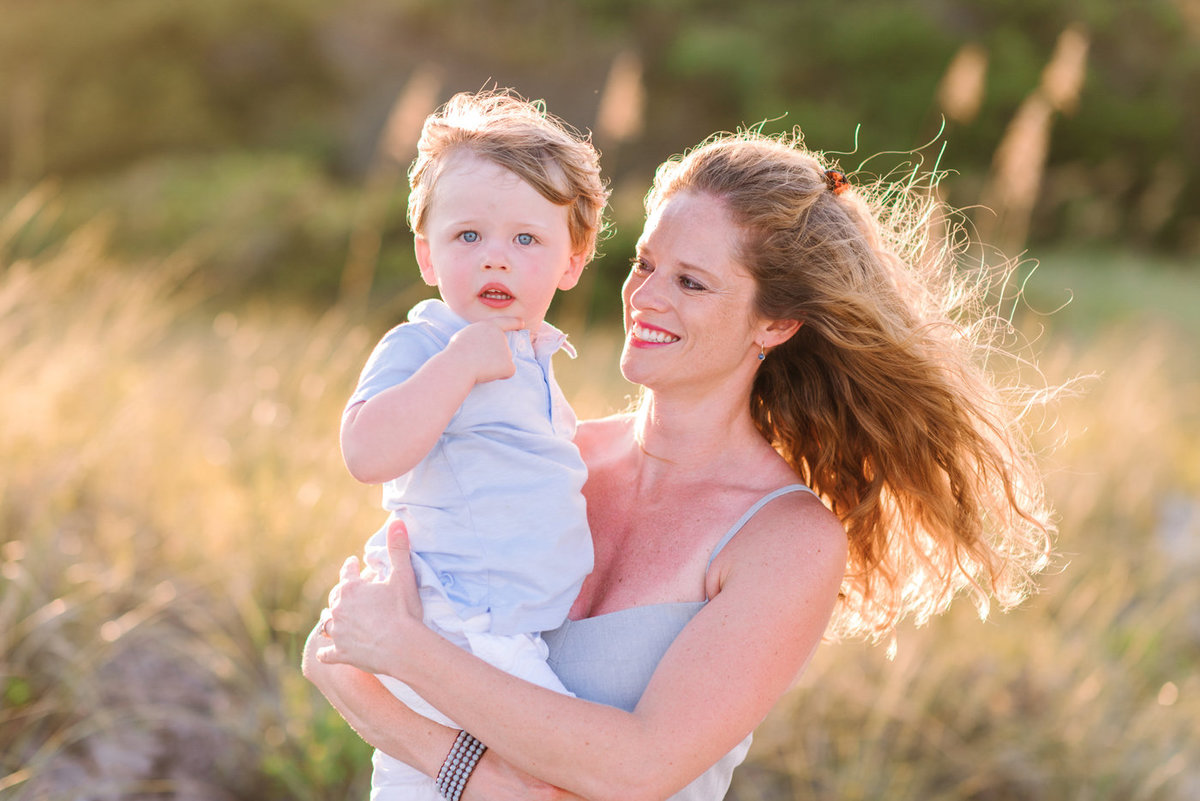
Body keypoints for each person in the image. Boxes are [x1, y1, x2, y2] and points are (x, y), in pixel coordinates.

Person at [305, 126, 1054, 801]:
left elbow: (634, 770)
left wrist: (421, 682)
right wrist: (475, 767)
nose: (645, 297)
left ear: (775, 322)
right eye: (645, 262)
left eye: (690, 282)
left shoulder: (786, 540)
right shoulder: (546, 452)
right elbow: (334, 651)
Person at [331, 89, 608, 800]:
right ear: (427, 255)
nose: (496, 260)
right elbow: (366, 451)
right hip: (459, 626)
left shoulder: (543, 363)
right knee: (568, 773)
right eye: (467, 237)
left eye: (526, 239)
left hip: (510, 634)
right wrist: (456, 366)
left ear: (571, 262)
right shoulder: (426, 340)